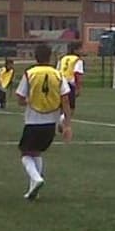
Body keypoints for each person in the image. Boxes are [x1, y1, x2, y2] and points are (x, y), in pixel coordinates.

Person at [16, 44, 74, 201]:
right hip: (51, 122)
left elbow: (20, 99)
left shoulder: (29, 74)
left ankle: (36, 179)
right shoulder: (58, 75)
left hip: (32, 121)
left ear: (35, 57)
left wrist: (30, 100)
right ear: (50, 57)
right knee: (37, 152)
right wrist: (67, 124)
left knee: (25, 153)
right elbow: (66, 100)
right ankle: (33, 191)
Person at [57, 43, 85, 127]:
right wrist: (78, 88)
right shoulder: (77, 60)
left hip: (60, 82)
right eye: (81, 49)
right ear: (75, 50)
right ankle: (61, 121)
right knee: (71, 108)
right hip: (69, 84)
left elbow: (57, 70)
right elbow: (77, 74)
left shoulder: (62, 58)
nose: (82, 51)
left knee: (62, 106)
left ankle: (60, 122)